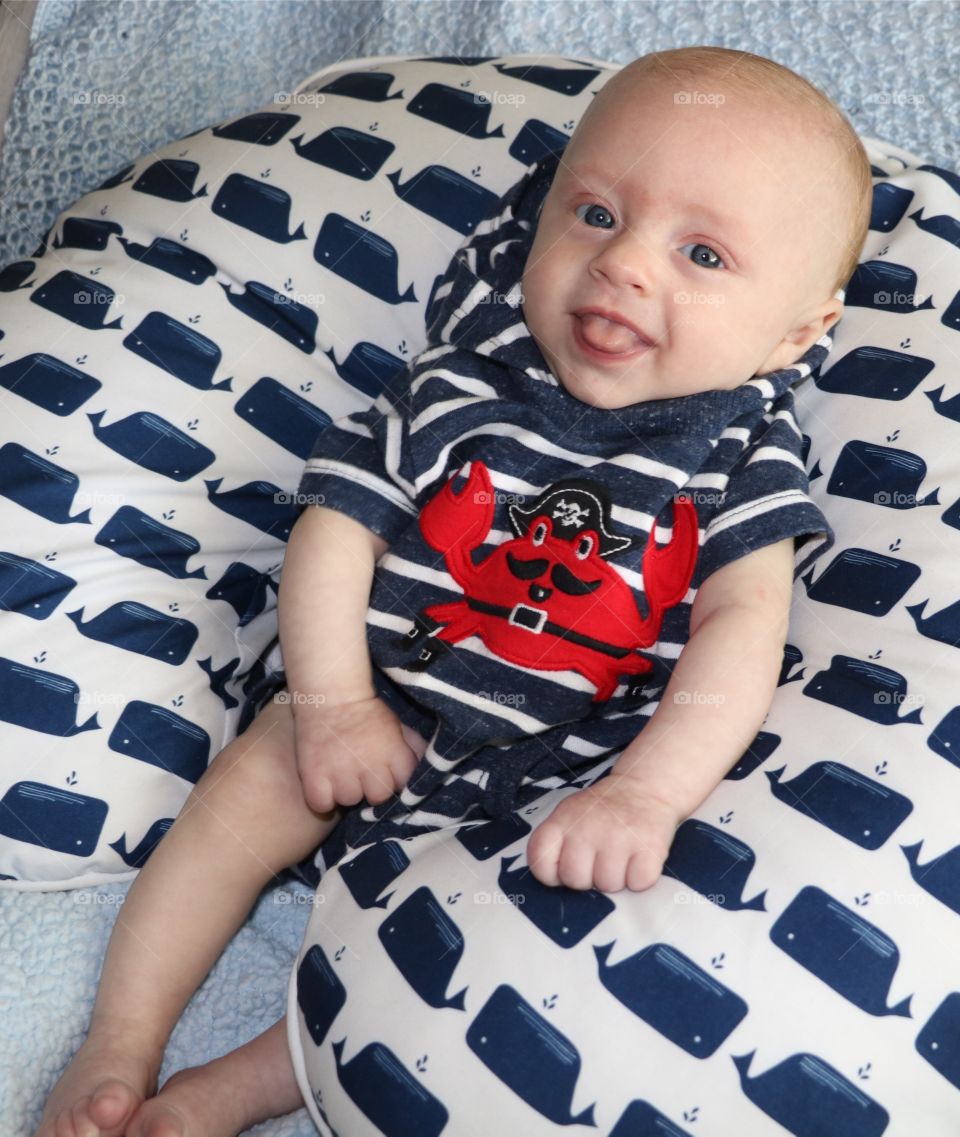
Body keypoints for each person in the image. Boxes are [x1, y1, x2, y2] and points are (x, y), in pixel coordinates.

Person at [37, 45, 872, 1137]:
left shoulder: (733, 464)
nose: (624, 269)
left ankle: (221, 1097)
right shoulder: (460, 387)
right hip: (370, 709)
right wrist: (333, 706)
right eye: (597, 214)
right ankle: (121, 1040)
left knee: (441, 953)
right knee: (244, 799)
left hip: (553, 785)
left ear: (800, 331)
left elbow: (743, 628)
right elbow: (338, 526)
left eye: (703, 253)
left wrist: (645, 796)